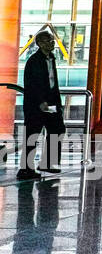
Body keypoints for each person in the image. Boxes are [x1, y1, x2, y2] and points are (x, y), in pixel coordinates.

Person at [18, 30, 66, 180]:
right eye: (47, 41)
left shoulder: (51, 58)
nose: (51, 43)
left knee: (57, 129)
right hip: (36, 106)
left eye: (52, 41)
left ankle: (48, 163)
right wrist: (41, 102)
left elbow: (53, 83)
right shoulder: (34, 61)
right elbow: (34, 85)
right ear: (39, 43)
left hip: (51, 104)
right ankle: (25, 169)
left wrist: (58, 104)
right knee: (32, 135)